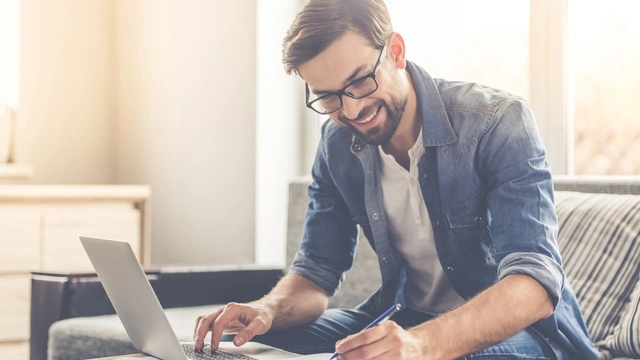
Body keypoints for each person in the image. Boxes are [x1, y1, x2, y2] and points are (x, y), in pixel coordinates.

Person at [194, 0, 599, 358]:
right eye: (329, 97)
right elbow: (317, 271)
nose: (351, 111)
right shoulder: (337, 144)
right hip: (404, 318)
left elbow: (533, 284)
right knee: (232, 349)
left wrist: (422, 344)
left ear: (396, 52)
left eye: (358, 82)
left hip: (528, 336)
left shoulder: (498, 122)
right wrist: (267, 310)